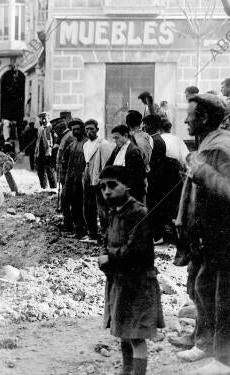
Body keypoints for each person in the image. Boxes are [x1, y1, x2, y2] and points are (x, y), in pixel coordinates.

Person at [174, 94, 230, 374]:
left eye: (190, 115)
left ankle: (223, 359)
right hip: (206, 234)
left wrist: (203, 172)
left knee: (223, 296)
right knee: (202, 287)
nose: (185, 119)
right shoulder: (207, 141)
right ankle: (206, 343)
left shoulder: (221, 145)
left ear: (205, 118)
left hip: (223, 235)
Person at [97, 166, 164, 375]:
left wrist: (110, 256)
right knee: (123, 333)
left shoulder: (138, 212)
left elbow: (135, 250)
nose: (106, 191)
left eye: (112, 185)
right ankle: (126, 371)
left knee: (136, 336)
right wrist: (103, 255)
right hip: (119, 281)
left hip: (138, 283)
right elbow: (105, 240)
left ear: (126, 186)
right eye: (103, 187)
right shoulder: (112, 211)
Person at [82, 119, 114, 244]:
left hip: (99, 179)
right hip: (87, 177)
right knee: (88, 206)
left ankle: (106, 235)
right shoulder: (86, 145)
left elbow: (106, 164)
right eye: (87, 129)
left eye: (92, 129)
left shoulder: (103, 144)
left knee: (102, 208)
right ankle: (92, 233)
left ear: (97, 130)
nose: (89, 132)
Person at [142, 114, 169, 244]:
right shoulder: (156, 139)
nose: (143, 127)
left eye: (145, 124)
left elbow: (154, 164)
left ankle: (158, 236)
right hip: (156, 178)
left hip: (155, 179)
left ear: (152, 125)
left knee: (154, 207)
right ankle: (156, 234)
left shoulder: (156, 141)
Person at [106, 125, 147, 204]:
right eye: (113, 138)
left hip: (130, 192)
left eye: (117, 138)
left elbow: (138, 177)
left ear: (125, 136)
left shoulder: (133, 151)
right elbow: (109, 165)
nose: (115, 140)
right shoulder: (117, 148)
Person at [63, 118, 88, 238]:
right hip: (71, 179)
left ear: (82, 130)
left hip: (81, 180)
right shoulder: (72, 144)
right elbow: (65, 160)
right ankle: (74, 229)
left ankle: (82, 230)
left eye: (78, 129)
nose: (75, 132)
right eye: (73, 130)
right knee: (70, 203)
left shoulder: (87, 144)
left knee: (80, 205)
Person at [55, 117, 75, 218]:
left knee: (67, 198)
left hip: (67, 173)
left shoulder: (69, 137)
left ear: (60, 129)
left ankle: (69, 221)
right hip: (63, 173)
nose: (55, 133)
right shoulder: (64, 136)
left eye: (56, 130)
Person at [34, 112, 57, 189]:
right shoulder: (40, 129)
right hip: (40, 153)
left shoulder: (51, 127)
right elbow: (38, 141)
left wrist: (52, 151)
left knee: (50, 170)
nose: (43, 120)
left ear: (48, 118)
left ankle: (53, 188)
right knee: (40, 171)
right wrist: (36, 152)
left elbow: (55, 140)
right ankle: (44, 187)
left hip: (49, 152)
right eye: (41, 118)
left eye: (44, 118)